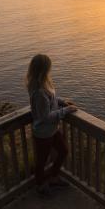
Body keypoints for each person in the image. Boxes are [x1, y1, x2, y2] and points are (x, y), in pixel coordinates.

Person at [26, 54, 77, 197]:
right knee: (41, 161)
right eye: (49, 66)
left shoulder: (43, 84)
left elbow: (52, 99)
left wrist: (62, 102)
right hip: (43, 133)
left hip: (52, 130)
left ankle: (54, 177)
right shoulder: (39, 92)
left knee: (63, 151)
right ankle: (41, 185)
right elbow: (45, 116)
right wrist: (65, 110)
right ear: (43, 69)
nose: (50, 69)